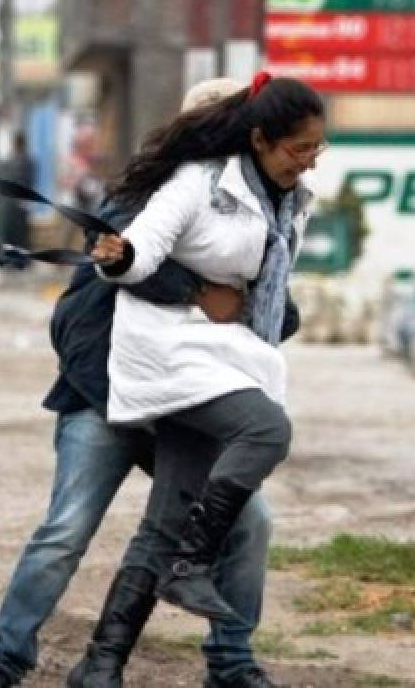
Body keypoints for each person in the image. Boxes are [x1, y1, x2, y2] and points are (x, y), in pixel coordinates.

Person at [0, 78, 299, 688]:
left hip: (184, 407)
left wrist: (256, 300)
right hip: (103, 401)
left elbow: (278, 312)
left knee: (248, 523)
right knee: (66, 530)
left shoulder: (254, 213)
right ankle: (3, 661)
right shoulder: (148, 199)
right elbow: (93, 294)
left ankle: (227, 663)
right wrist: (200, 295)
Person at [68, 73, 325, 686]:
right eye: (299, 149)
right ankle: (193, 562)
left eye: (319, 148)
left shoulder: (290, 202)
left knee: (164, 519)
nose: (310, 161)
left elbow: (266, 287)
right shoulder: (197, 183)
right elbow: (140, 252)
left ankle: (99, 664)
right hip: (167, 349)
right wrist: (121, 257)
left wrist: (271, 306)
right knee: (267, 430)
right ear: (260, 140)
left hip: (223, 357)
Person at [0, 131, 36, 270]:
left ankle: (18, 261)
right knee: (17, 234)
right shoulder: (25, 161)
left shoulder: (18, 162)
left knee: (18, 234)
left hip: (15, 203)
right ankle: (17, 261)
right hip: (18, 203)